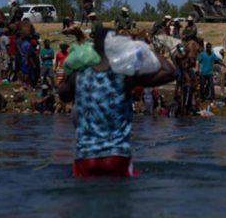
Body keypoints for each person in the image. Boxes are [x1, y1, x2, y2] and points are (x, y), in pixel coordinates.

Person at [59, 27, 177, 177]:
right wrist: (141, 47)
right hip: (116, 158)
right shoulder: (125, 75)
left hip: (85, 159)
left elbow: (63, 95)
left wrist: (72, 69)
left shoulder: (79, 74)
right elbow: (170, 72)